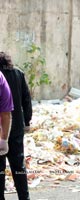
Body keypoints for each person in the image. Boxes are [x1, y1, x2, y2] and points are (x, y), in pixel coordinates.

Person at [0, 52, 32, 200]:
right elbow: (27, 99)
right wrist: (27, 121)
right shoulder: (18, 73)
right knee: (18, 165)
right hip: (17, 125)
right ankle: (24, 197)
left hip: (1, 127)